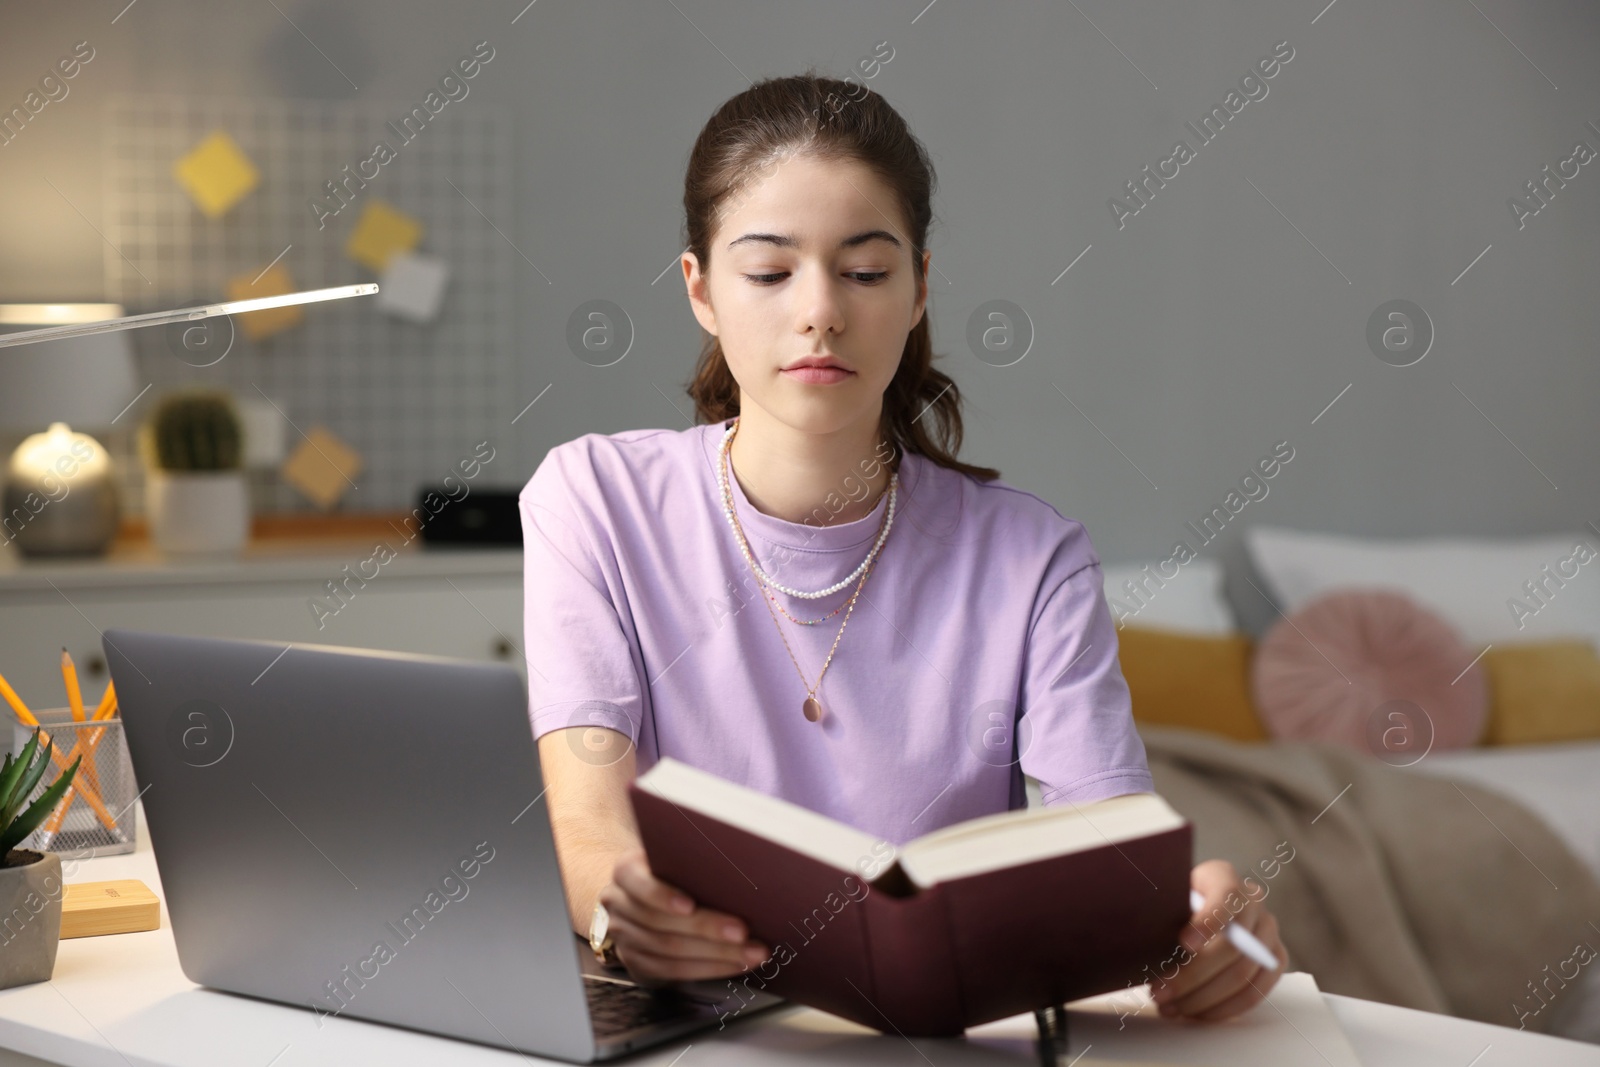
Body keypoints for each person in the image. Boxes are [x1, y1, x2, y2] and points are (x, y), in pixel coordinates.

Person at [522, 72, 1287, 1025]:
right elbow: (584, 818)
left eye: (866, 270)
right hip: (690, 1028)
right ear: (701, 291)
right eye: (768, 272)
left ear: (920, 287)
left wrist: (1200, 915)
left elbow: (1105, 845)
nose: (820, 313)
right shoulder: (593, 499)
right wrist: (618, 909)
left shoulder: (1033, 559)